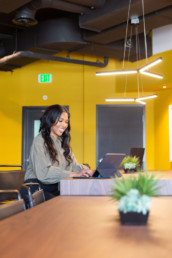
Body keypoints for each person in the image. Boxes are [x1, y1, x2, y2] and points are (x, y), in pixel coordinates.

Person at [24, 104, 94, 200]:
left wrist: (89, 171)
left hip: (54, 188)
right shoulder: (39, 141)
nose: (64, 125)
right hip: (36, 190)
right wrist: (75, 174)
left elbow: (74, 166)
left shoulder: (62, 142)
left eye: (66, 122)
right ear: (50, 120)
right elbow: (45, 173)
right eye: (60, 121)